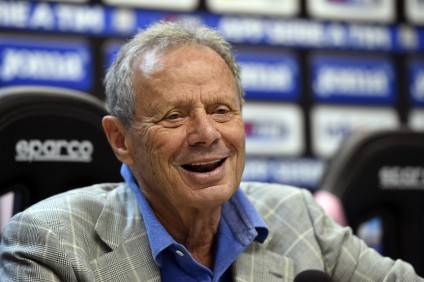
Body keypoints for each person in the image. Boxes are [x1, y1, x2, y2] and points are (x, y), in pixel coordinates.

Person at [0, 22, 422, 282]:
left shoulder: (298, 217)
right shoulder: (48, 241)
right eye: (173, 117)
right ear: (121, 140)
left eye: (222, 110)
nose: (206, 133)